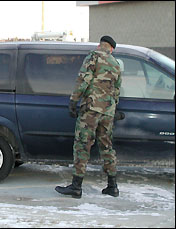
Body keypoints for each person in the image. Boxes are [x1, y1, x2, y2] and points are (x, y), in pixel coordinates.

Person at [55, 35, 123, 198]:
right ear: (111, 48)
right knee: (106, 145)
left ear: (100, 46)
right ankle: (112, 186)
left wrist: (73, 101)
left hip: (91, 109)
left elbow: (83, 80)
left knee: (82, 144)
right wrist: (112, 109)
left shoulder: (93, 57)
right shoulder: (116, 64)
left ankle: (76, 187)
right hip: (108, 111)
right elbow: (117, 91)